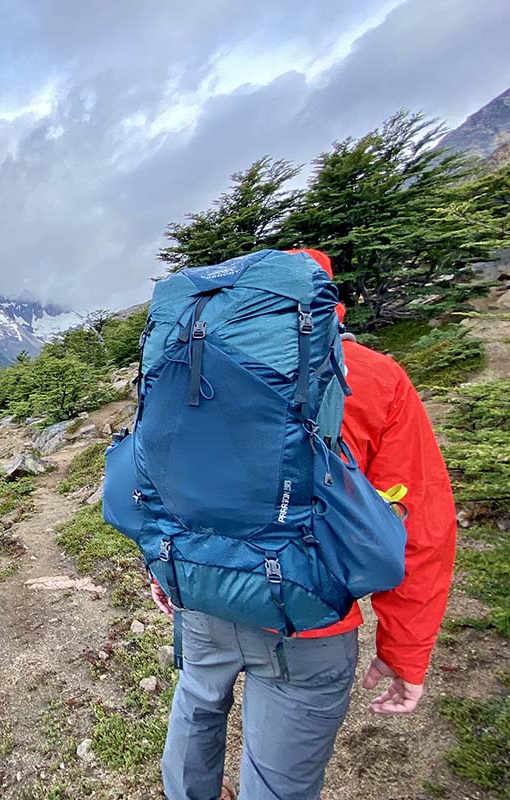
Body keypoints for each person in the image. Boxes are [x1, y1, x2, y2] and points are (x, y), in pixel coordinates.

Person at [152, 249, 458, 800]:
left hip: (202, 593)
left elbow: (165, 478)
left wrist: (164, 570)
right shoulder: (372, 376)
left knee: (196, 707)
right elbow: (419, 526)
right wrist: (404, 650)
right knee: (277, 782)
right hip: (308, 614)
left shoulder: (184, 358)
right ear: (321, 301)